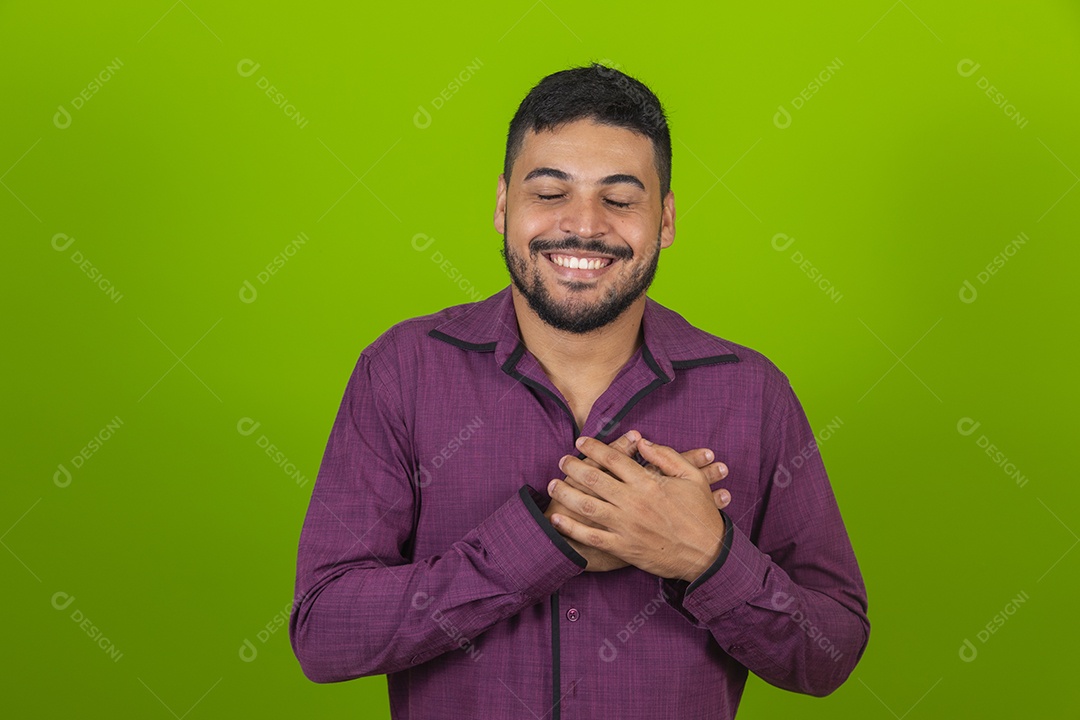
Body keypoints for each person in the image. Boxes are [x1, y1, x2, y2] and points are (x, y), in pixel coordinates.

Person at [289, 62, 869, 719]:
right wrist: (547, 541)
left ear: (667, 219)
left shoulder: (752, 392)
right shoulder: (401, 372)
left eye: (620, 199)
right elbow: (324, 635)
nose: (584, 225)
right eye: (550, 193)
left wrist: (708, 558)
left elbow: (831, 652)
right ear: (504, 205)